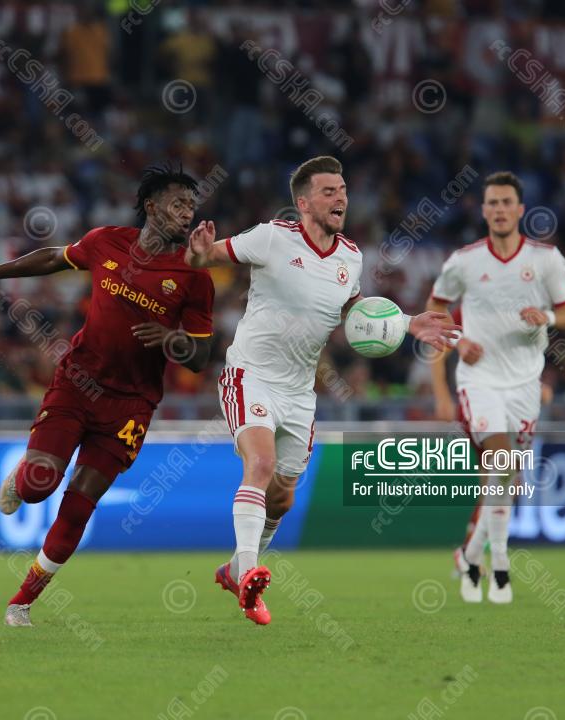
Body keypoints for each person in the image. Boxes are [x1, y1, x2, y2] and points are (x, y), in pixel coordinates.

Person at [0, 164, 215, 627]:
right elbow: (52, 258)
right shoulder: (107, 241)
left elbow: (201, 357)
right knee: (38, 486)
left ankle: (21, 602)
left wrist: (172, 339)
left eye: (192, 205)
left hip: (131, 405)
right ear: (151, 206)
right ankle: (22, 479)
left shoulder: (194, 274)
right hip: (78, 383)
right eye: (178, 204)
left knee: (80, 503)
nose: (187, 213)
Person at [184, 156, 458, 624]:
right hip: (251, 374)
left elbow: (354, 310)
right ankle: (249, 576)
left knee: (282, 497)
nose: (341, 198)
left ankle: (233, 570)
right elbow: (205, 257)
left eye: (343, 190)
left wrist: (408, 322)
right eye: (329, 191)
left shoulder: (350, 257)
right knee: (260, 463)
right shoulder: (271, 237)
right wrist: (197, 252)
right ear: (304, 203)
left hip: (299, 392)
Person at [426, 171, 565, 604]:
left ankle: (470, 556)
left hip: (525, 382)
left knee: (506, 478)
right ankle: (501, 569)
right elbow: (434, 309)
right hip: (478, 380)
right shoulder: (465, 261)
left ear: (520, 209)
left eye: (506, 202)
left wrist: (548, 318)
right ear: (483, 210)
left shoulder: (546, 260)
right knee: (500, 460)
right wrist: (458, 341)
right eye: (492, 202)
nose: (499, 209)